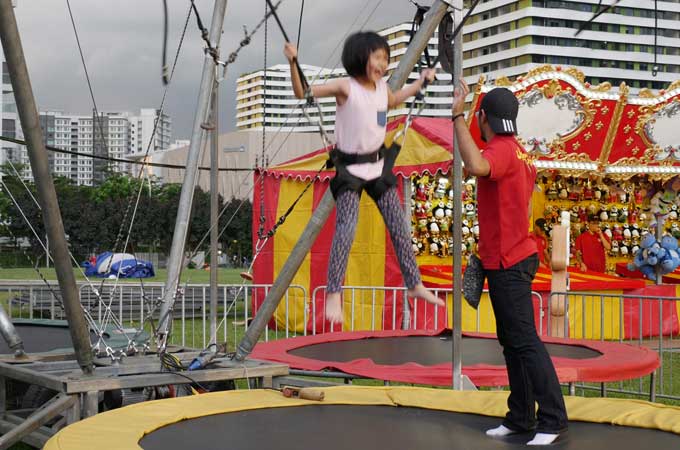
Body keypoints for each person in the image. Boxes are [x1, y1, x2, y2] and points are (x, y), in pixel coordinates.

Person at [284, 32, 444, 324]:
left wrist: (422, 82)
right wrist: (294, 62)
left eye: (385, 58)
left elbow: (396, 98)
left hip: (378, 167)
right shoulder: (346, 87)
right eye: (377, 57)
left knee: (398, 227)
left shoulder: (382, 88)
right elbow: (302, 92)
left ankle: (414, 284)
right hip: (350, 171)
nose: (382, 64)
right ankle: (333, 294)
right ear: (360, 57)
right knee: (347, 228)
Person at [451, 79, 568, 445]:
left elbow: (474, 163)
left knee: (524, 341)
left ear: (484, 118)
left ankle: (552, 418)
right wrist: (469, 110)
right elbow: (476, 166)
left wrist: (456, 114)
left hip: (509, 261)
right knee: (513, 342)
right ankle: (520, 417)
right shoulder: (517, 151)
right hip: (510, 258)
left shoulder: (500, 151)